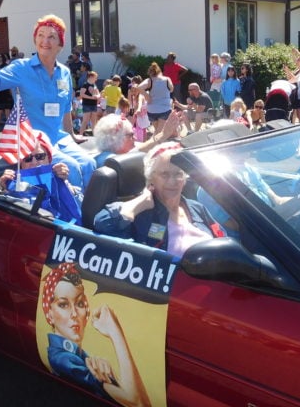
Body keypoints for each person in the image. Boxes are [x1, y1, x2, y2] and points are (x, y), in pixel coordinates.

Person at [0, 14, 96, 188]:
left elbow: (65, 108)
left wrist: (72, 136)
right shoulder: (22, 68)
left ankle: (86, 211)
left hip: (59, 138)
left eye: (52, 36)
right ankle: (71, 212)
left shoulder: (64, 72)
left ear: (60, 44)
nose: (45, 41)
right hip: (34, 142)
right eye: (41, 35)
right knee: (71, 168)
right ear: (35, 39)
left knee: (90, 164)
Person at [40, 262, 150, 406]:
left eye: (79, 303)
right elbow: (137, 402)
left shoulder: (80, 355)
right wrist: (115, 333)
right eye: (63, 304)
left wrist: (110, 378)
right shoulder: (63, 359)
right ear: (50, 314)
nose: (74, 314)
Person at [94, 142, 225, 257]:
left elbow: (222, 239)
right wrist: (141, 202)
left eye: (178, 174)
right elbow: (103, 224)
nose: (172, 181)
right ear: (151, 178)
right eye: (164, 174)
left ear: (185, 179)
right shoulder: (142, 214)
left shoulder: (196, 208)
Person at [0, 130, 82, 223]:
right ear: (21, 163)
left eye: (40, 156)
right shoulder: (13, 181)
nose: (34, 162)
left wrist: (66, 186)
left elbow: (82, 211)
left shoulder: (60, 178)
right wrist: (4, 188)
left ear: (49, 159)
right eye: (27, 158)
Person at [93, 110, 183, 167]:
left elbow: (142, 148)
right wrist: (164, 134)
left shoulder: (110, 155)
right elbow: (138, 151)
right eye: (131, 135)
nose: (135, 138)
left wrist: (167, 133)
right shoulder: (108, 162)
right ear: (114, 138)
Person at [137, 62, 173, 136]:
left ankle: (155, 144)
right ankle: (152, 144)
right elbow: (171, 89)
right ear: (160, 71)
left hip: (152, 110)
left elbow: (139, 87)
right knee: (159, 132)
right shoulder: (167, 79)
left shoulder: (149, 80)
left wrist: (147, 96)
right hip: (164, 109)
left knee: (157, 131)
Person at [79, 70, 100, 135]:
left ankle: (95, 135)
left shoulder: (94, 85)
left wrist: (97, 96)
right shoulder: (85, 85)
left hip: (93, 104)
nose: (96, 79)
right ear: (91, 77)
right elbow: (82, 94)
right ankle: (80, 134)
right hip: (87, 104)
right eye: (95, 77)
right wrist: (91, 97)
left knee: (94, 121)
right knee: (85, 120)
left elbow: (98, 93)